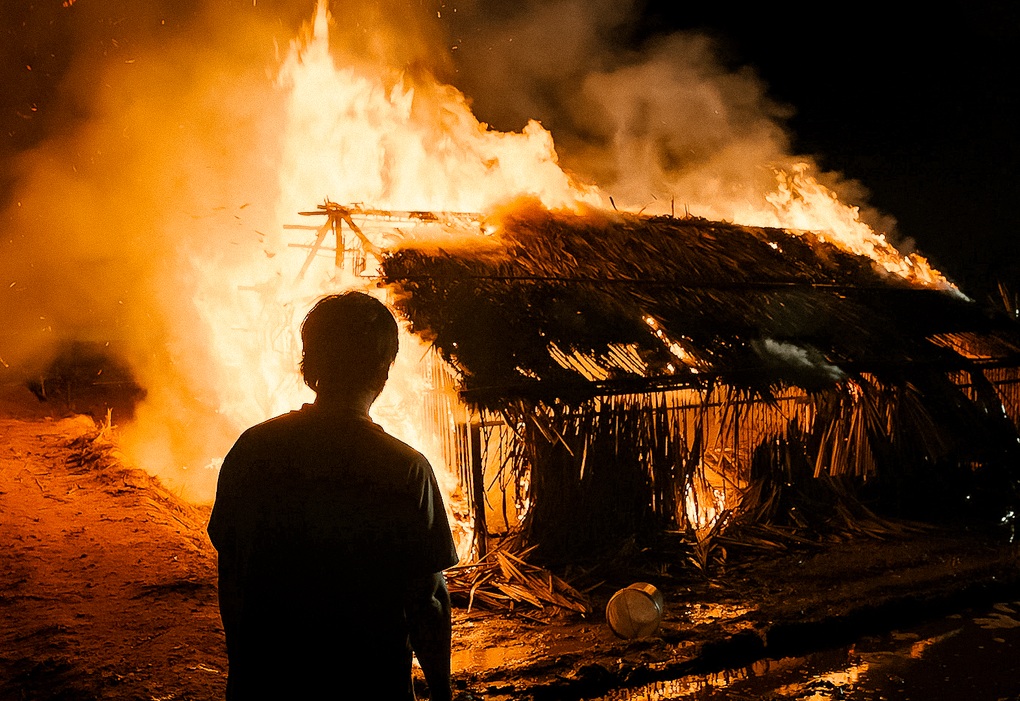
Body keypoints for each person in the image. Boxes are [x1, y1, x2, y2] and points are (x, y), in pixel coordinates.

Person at [208, 291, 459, 700]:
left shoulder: (252, 450)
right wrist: (442, 693)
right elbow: (427, 600)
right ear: (383, 369)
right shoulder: (406, 469)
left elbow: (231, 572)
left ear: (311, 364)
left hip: (267, 682)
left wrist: (244, 666)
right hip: (366, 685)